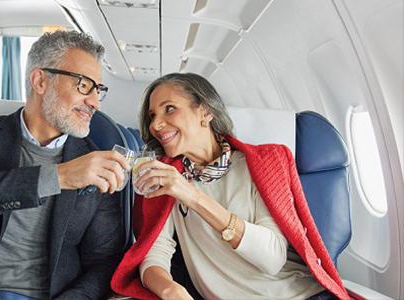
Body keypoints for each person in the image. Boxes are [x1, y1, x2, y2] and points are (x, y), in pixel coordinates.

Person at [0, 31, 130, 300]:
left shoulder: (98, 162)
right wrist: (59, 176)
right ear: (40, 80)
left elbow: (104, 262)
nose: (95, 102)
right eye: (83, 85)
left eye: (98, 89)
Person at [111, 73, 349, 299]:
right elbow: (155, 254)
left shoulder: (259, 166)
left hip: (299, 294)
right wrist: (169, 290)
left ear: (205, 112)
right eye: (152, 116)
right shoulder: (165, 177)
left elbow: (273, 259)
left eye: (169, 109)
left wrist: (192, 196)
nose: (156, 125)